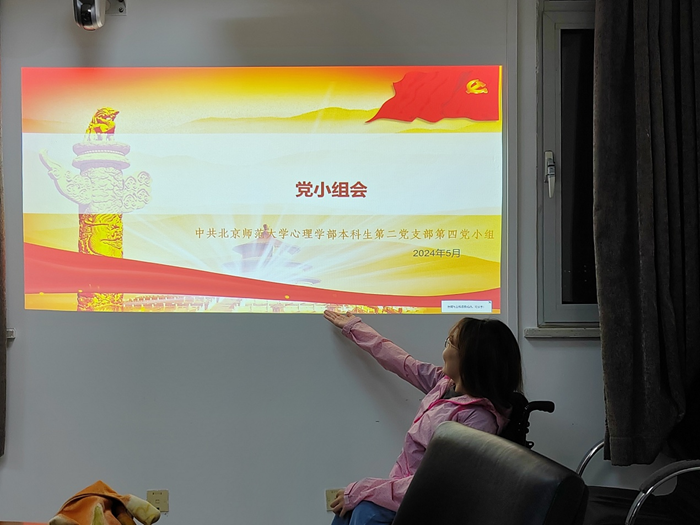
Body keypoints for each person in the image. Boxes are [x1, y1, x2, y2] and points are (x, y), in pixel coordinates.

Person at [323, 310, 523, 525]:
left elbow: (438, 483)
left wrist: (366, 489)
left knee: (366, 511)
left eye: (450, 343)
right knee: (346, 511)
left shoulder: (478, 420)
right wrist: (355, 327)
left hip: (427, 501)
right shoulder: (444, 384)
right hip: (405, 490)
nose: (444, 350)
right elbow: (401, 362)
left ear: (470, 359)